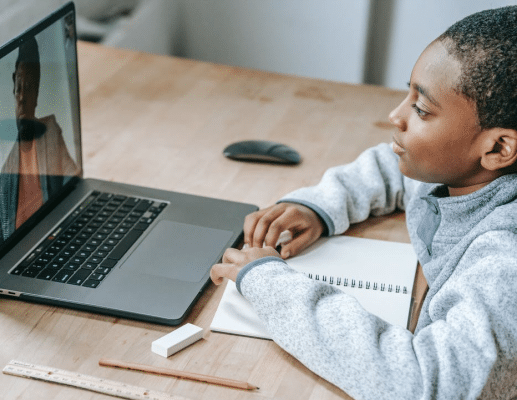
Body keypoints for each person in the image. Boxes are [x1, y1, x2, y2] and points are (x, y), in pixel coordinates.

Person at [210, 6, 517, 400]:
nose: (395, 116)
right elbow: (394, 166)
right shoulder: (465, 173)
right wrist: (321, 206)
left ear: (498, 147)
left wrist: (271, 286)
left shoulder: (505, 260)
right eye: (407, 96)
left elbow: (426, 385)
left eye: (421, 110)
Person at [0, 37, 78, 248]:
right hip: (21, 254)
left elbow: (73, 183)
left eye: (28, 88)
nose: (22, 98)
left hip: (55, 243)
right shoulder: (7, 170)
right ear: (13, 88)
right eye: (19, 87)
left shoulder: (50, 133)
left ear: (36, 94)